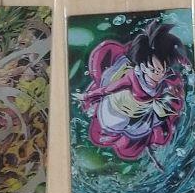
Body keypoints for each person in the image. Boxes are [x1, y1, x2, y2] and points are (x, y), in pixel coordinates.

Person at [80, 21, 189, 160]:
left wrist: (182, 60)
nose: (158, 76)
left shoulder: (163, 79)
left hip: (145, 112)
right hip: (120, 109)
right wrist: (89, 96)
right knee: (118, 131)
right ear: (143, 67)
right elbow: (109, 89)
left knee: (156, 126)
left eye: (161, 71)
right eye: (153, 70)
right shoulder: (131, 78)